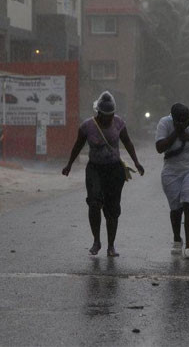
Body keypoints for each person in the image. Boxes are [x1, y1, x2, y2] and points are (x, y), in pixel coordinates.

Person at [62, 91, 144, 257]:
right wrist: (69, 164)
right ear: (98, 113)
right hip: (95, 169)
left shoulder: (119, 123)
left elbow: (127, 142)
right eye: (105, 115)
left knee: (112, 209)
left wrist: (136, 161)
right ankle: (96, 241)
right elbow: (77, 146)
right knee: (94, 203)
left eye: (111, 115)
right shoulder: (87, 126)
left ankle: (111, 246)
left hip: (114, 170)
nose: (109, 118)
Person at [155, 103, 189, 259]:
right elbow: (159, 147)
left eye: (186, 120)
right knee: (176, 208)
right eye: (180, 121)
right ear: (173, 119)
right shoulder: (164, 123)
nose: (185, 123)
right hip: (171, 171)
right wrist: (176, 133)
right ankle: (177, 238)